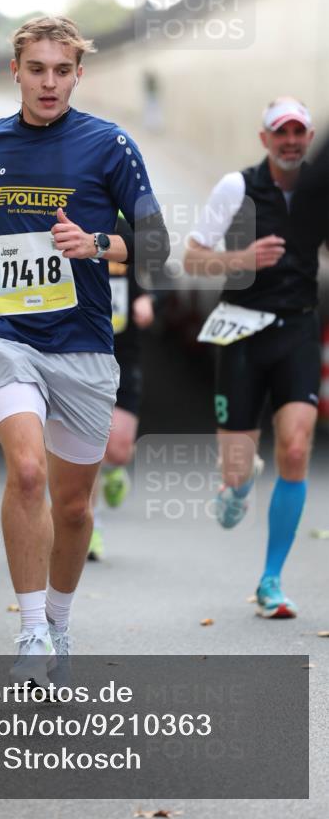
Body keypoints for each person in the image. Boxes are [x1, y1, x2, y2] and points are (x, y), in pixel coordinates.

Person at [0, 16, 169, 682]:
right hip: (8, 337)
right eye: (36, 69)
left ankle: (59, 624)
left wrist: (96, 244)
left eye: (61, 70)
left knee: (71, 506)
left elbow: (154, 243)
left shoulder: (108, 145)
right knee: (27, 474)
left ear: (77, 75)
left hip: (84, 348)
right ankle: (31, 629)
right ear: (16, 71)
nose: (48, 82)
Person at [184, 97, 322, 619]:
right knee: (239, 472)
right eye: (280, 132)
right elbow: (193, 257)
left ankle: (271, 581)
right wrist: (241, 259)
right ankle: (237, 485)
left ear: (308, 139)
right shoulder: (236, 188)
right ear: (264, 139)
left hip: (298, 330)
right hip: (242, 332)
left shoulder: (317, 191)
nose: (290, 141)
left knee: (294, 447)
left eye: (299, 132)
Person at [87, 216, 164, 561]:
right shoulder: (68, 219)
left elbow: (161, 273)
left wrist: (150, 299)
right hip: (81, 348)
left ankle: (116, 470)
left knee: (117, 449)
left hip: (124, 351)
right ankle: (90, 528)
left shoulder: (126, 229)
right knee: (87, 446)